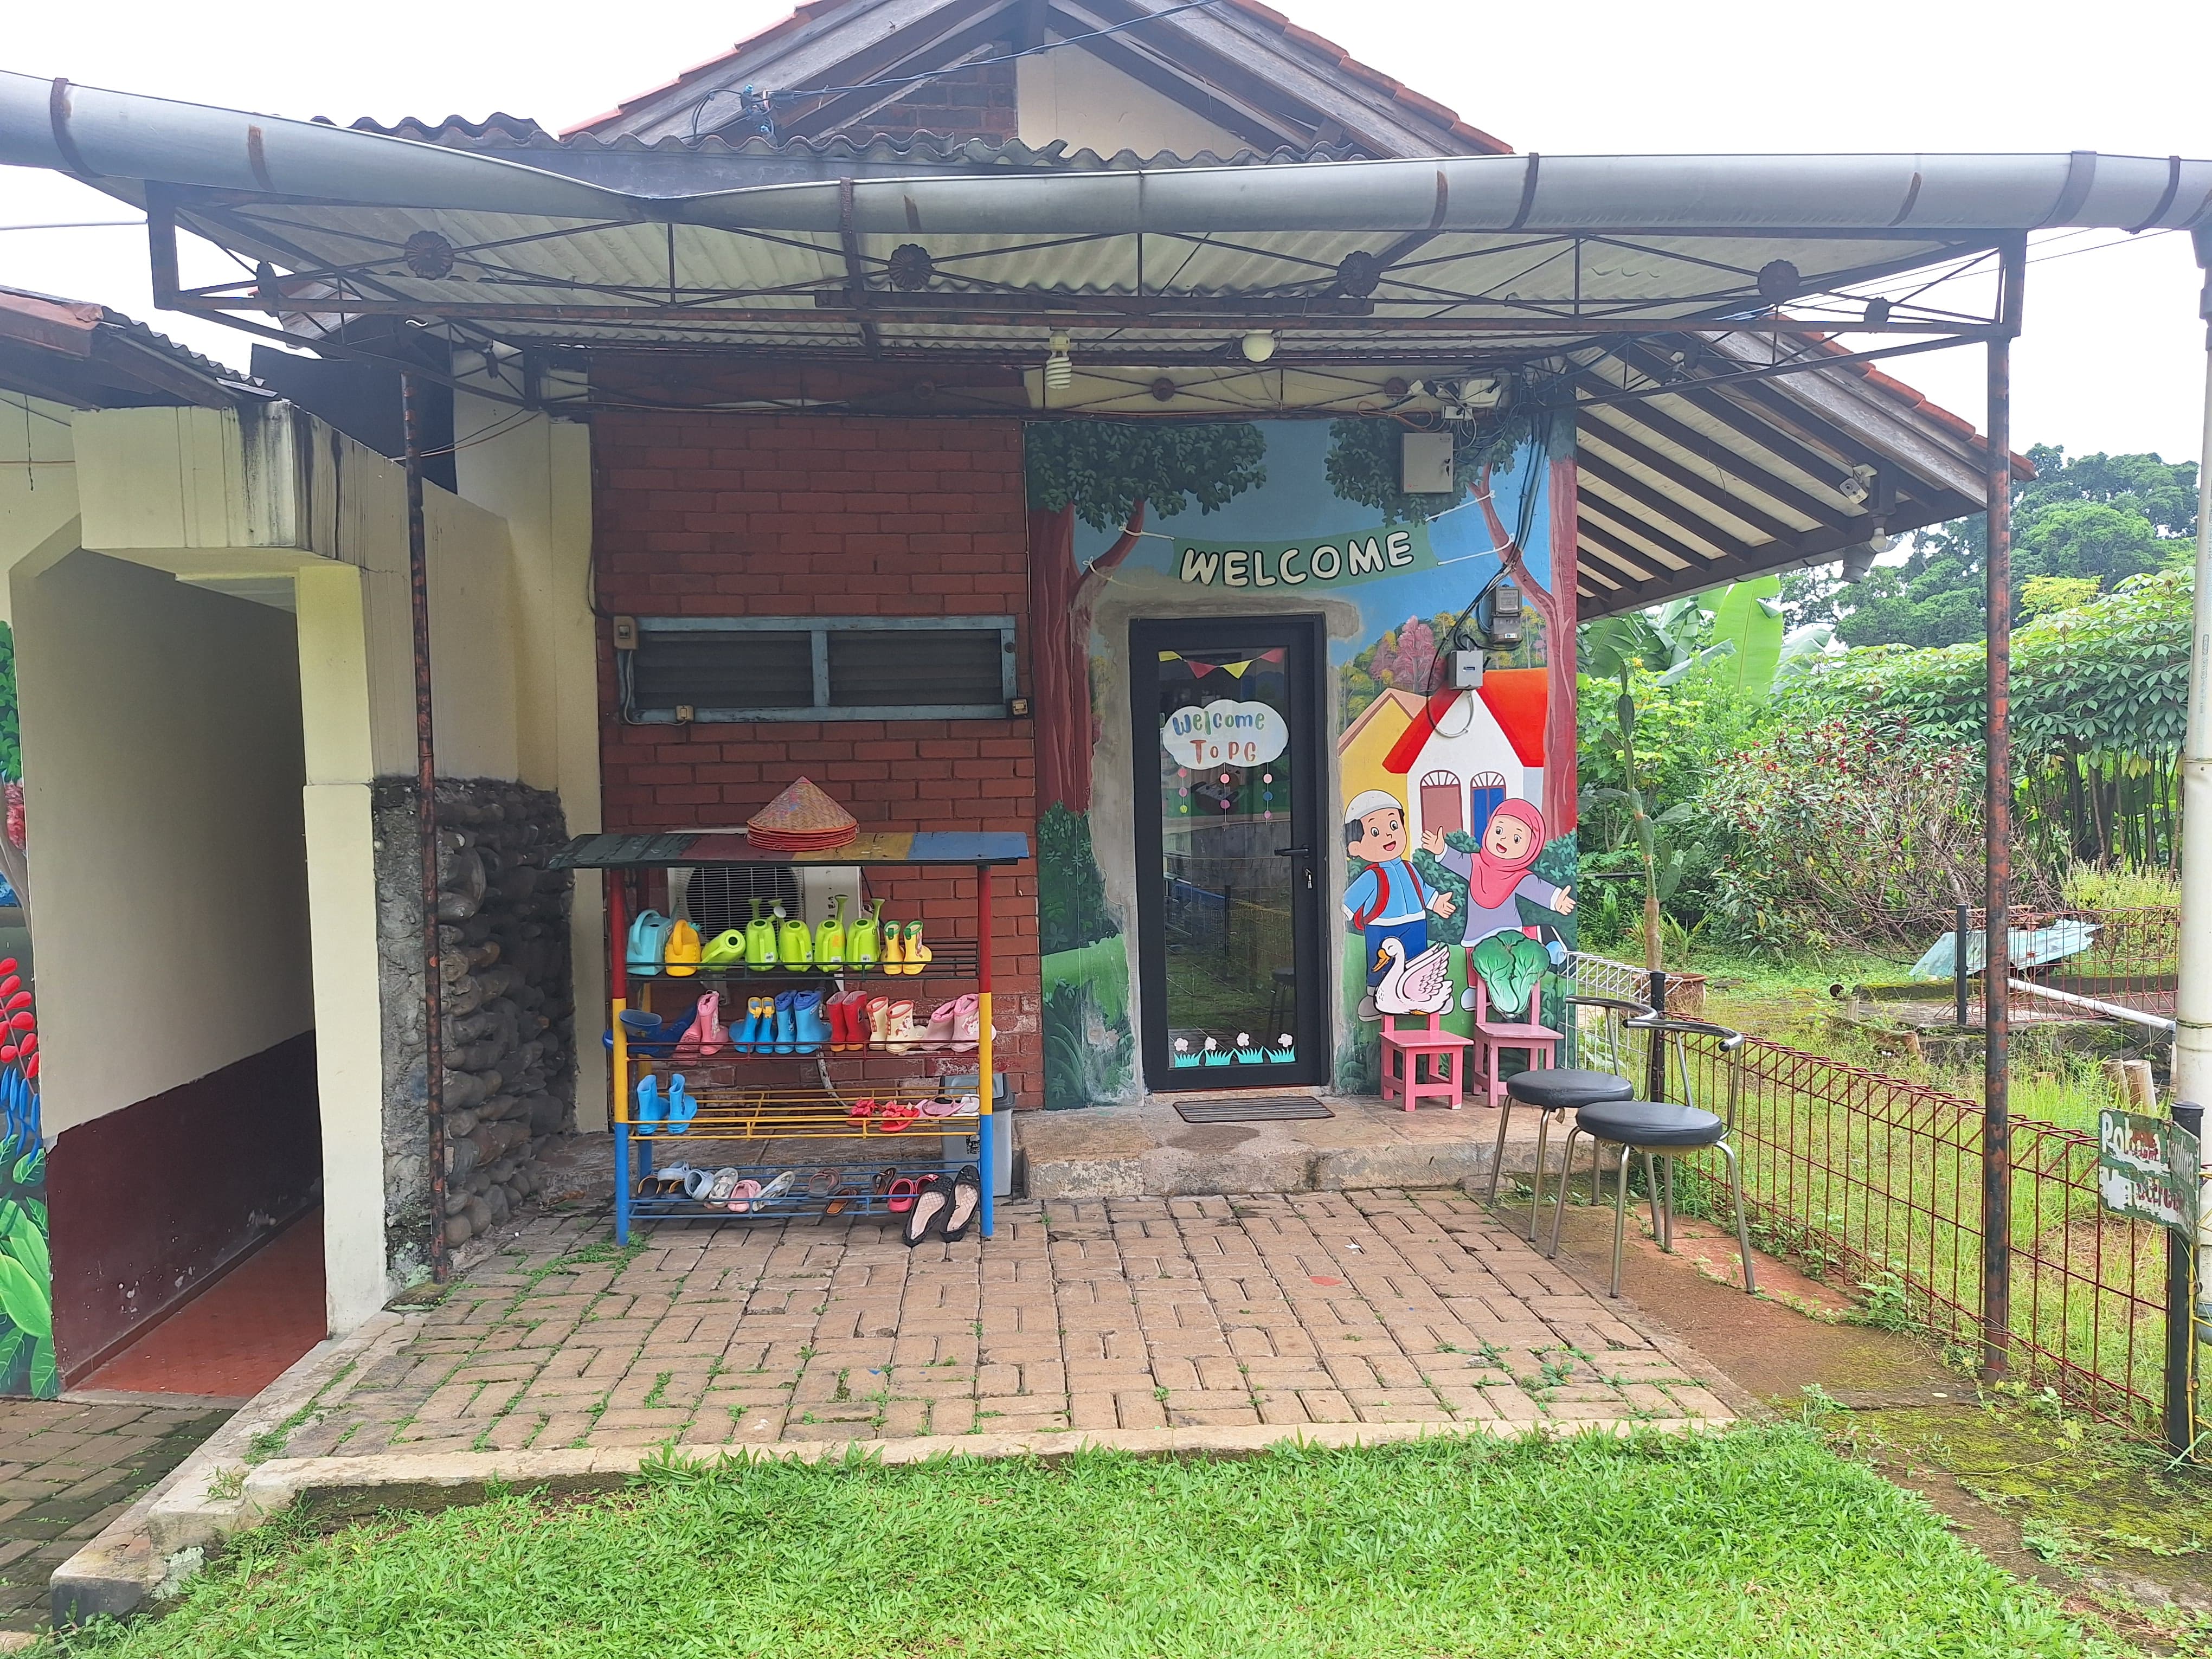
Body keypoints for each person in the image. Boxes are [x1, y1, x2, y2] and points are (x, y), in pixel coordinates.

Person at [1422, 798, 1574, 1017]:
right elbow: (1457, 860)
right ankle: (1476, 991)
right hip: (1476, 930)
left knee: (1513, 952)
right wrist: (1441, 850)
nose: (1504, 840)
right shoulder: (1475, 864)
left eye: (1516, 838)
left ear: (1530, 848)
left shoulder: (1518, 875)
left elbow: (1536, 888)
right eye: (1499, 830)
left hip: (1507, 928)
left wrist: (1557, 898)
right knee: (1474, 954)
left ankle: (1545, 936)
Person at [1342, 789, 1455, 1021]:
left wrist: (1436, 902)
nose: (1388, 835)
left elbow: (1423, 889)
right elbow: (1348, 903)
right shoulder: (1371, 876)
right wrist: (1342, 914)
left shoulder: (1409, 868)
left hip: (1416, 924)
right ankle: (1375, 996)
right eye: (1375, 832)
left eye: (1394, 825)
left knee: (1417, 959)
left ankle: (1427, 995)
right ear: (1356, 848)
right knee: (1380, 962)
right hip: (1383, 927)